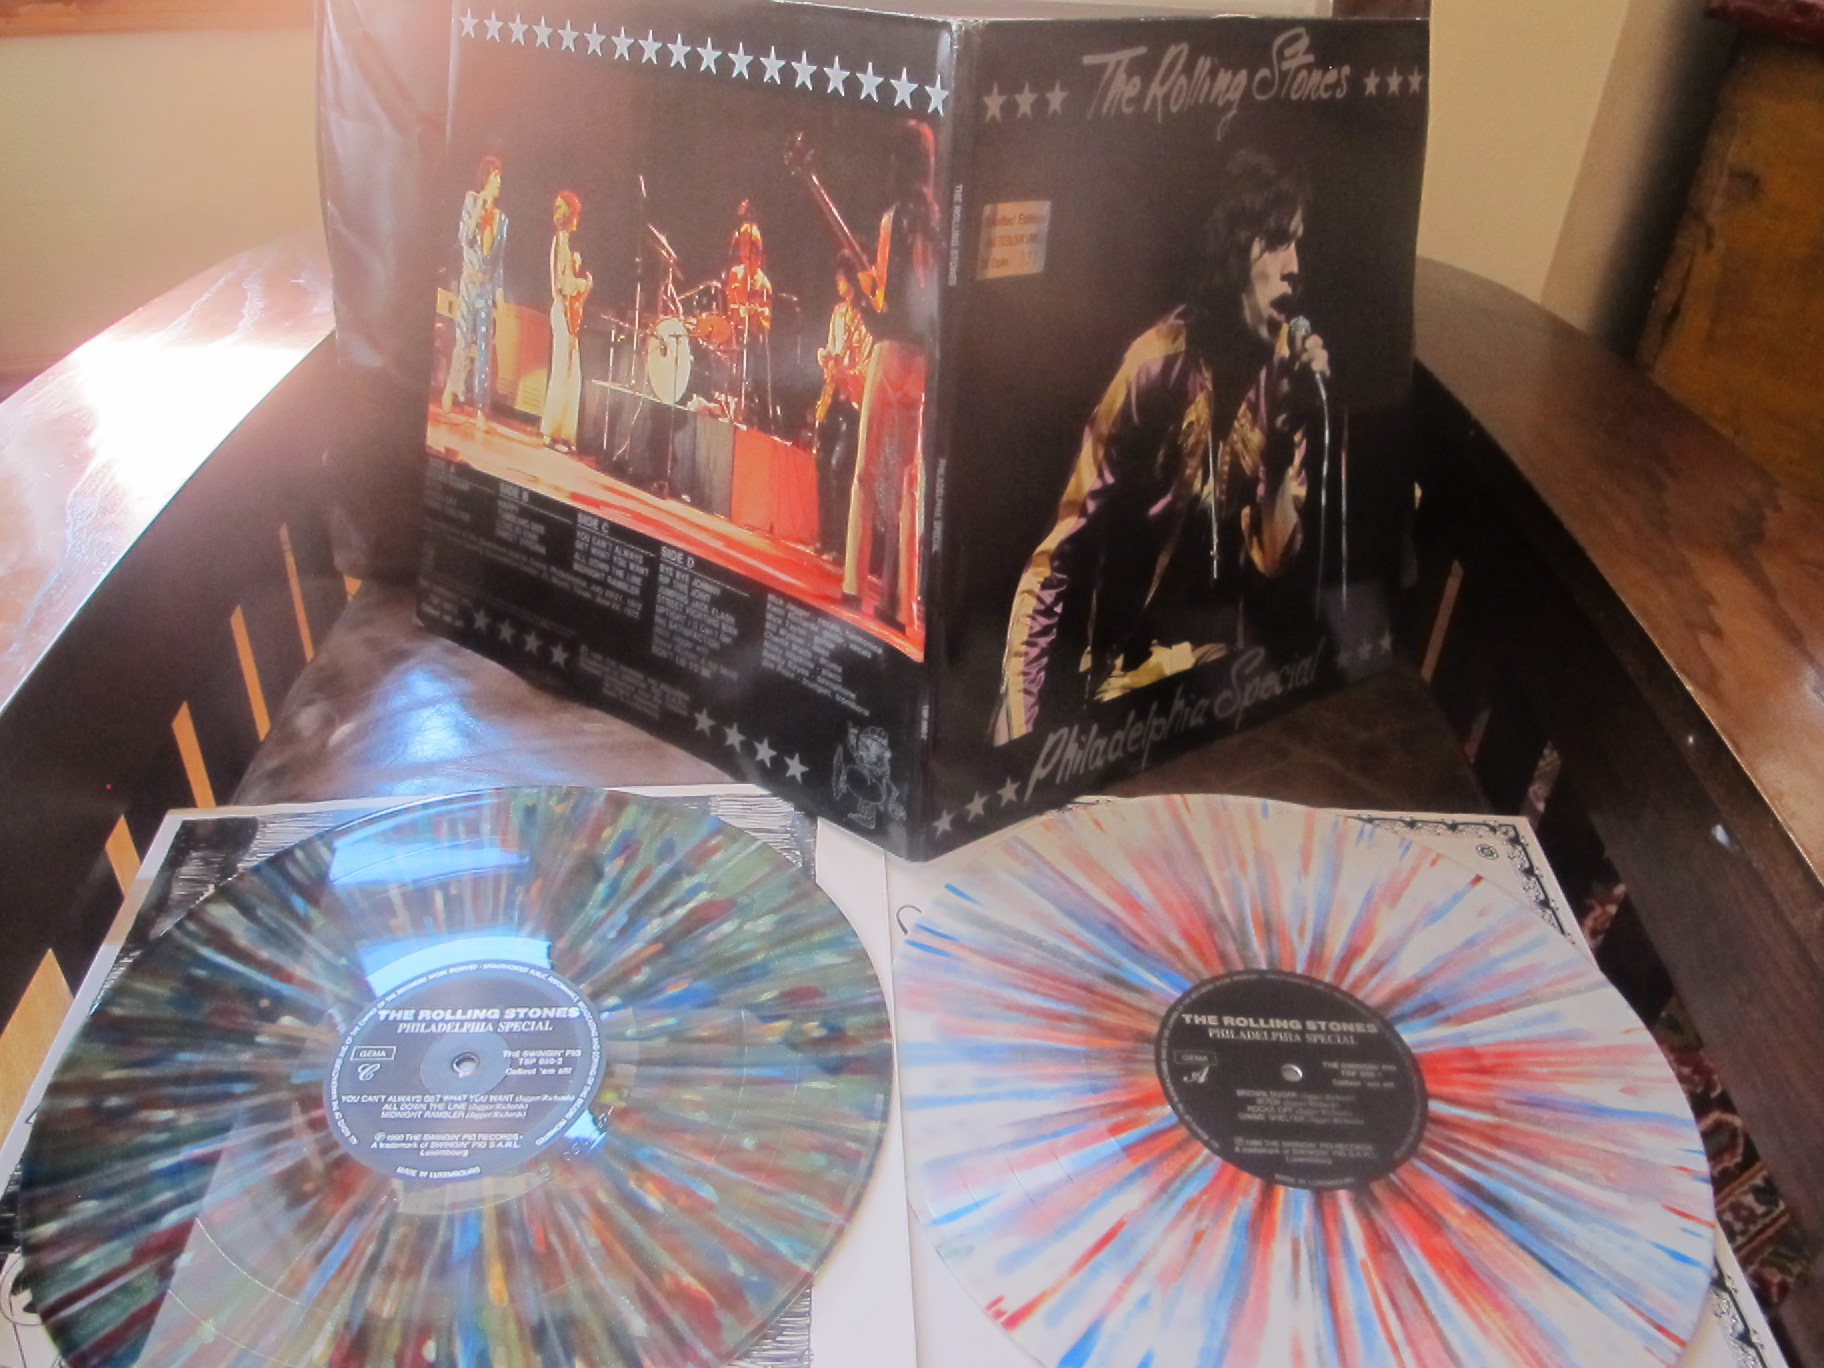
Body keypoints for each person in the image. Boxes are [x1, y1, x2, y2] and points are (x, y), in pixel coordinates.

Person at [993, 148, 1332, 743]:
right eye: (1277, 241)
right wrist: (1019, 716)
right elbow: (1059, 557)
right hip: (1122, 688)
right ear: (1235, 249)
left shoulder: (1288, 382)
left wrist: (1282, 440)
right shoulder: (1156, 366)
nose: (1294, 268)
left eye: (1299, 244)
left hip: (1225, 687)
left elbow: (1276, 564)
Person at [843, 119, 940, 632]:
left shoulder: (893, 219)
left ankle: (854, 585)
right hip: (923, 363)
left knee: (866, 471)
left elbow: (882, 309)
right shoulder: (939, 224)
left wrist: (856, 286)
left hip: (890, 353)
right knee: (908, 483)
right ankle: (903, 605)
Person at [441, 155, 509, 428]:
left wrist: (500, 293)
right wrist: (480, 209)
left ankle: (481, 407)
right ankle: (452, 388)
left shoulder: (502, 219)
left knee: (484, 348)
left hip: (486, 287)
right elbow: (464, 238)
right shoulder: (471, 200)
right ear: (486, 178)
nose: (499, 181)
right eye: (495, 176)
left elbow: (499, 261)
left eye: (500, 176)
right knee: (461, 340)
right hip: (468, 282)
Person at [814, 254, 875, 559]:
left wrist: (845, 374)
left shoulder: (867, 318)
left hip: (853, 401)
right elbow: (831, 348)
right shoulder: (838, 313)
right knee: (822, 463)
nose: (837, 281)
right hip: (831, 396)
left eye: (841, 275)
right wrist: (825, 359)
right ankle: (826, 537)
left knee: (841, 468)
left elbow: (866, 365)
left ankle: (842, 544)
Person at [541, 190, 592, 452]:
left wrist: (574, 266)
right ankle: (552, 433)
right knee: (563, 371)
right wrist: (583, 282)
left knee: (571, 372)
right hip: (561, 310)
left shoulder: (564, 244)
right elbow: (562, 284)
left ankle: (563, 434)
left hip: (567, 312)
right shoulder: (560, 241)